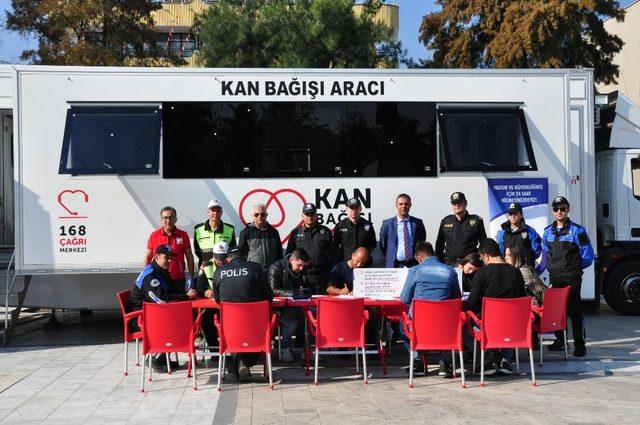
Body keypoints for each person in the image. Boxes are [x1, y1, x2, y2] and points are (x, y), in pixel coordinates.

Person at [129, 245, 197, 372]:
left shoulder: (162, 271)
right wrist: (186, 297)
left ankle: (163, 356)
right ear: (156, 257)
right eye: (166, 257)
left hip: (154, 312)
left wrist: (187, 292)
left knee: (183, 317)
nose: (170, 261)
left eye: (171, 258)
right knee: (176, 322)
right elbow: (161, 299)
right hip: (140, 317)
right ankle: (155, 357)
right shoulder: (150, 275)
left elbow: (171, 292)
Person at [542, 196, 595, 357]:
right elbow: (546, 253)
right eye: (557, 209)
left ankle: (580, 344)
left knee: (574, 311)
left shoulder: (577, 230)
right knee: (557, 311)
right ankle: (560, 340)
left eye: (562, 208)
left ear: (568, 209)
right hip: (555, 278)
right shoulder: (547, 232)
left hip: (571, 278)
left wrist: (574, 269)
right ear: (553, 210)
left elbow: (588, 256)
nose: (559, 211)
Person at [399, 241, 461, 378]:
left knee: (402, 325)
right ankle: (445, 363)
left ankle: (418, 361)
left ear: (418, 258)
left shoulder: (415, 270)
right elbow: (457, 297)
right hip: (444, 322)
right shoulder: (450, 270)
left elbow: (404, 298)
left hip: (420, 323)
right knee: (447, 325)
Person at [466, 239, 526, 375]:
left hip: (489, 326)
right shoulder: (516, 272)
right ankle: (505, 358)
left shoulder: (482, 273)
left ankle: (486, 361)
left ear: (486, 256)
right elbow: (523, 299)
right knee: (507, 324)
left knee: (463, 326)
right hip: (513, 327)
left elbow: (472, 303)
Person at [213, 249, 273, 382]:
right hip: (255, 329)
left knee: (235, 333)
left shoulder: (219, 271)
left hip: (230, 330)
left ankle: (236, 364)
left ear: (228, 258)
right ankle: (244, 362)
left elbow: (218, 300)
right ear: (245, 257)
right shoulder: (255, 268)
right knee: (261, 334)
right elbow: (268, 297)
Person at [268, 248, 314, 362]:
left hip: (299, 306)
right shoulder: (276, 268)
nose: (301, 268)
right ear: (291, 260)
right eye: (299, 265)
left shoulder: (304, 269)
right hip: (280, 308)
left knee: (314, 316)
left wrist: (307, 290)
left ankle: (308, 349)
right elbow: (273, 290)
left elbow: (309, 286)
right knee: (292, 323)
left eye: (303, 265)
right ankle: (285, 347)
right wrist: (294, 293)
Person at [285, 203, 335, 295]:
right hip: (302, 276)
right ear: (302, 216)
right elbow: (289, 254)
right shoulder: (295, 233)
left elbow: (333, 255)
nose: (309, 217)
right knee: (303, 305)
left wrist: (330, 275)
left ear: (316, 215)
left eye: (312, 214)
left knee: (321, 305)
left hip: (321, 276)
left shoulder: (325, 231)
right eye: (307, 214)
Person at [144, 206, 195, 296]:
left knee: (178, 304)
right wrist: (145, 274)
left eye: (171, 217)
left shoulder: (183, 235)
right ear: (161, 220)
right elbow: (148, 257)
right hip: (159, 278)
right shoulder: (154, 235)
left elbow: (190, 257)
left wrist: (191, 276)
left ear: (175, 219)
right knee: (162, 305)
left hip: (177, 279)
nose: (168, 220)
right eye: (165, 218)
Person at [195, 241, 231, 349]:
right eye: (217, 257)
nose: (220, 261)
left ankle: (234, 348)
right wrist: (206, 292)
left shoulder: (234, 265)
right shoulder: (206, 266)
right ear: (213, 255)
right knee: (205, 319)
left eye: (223, 257)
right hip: (214, 303)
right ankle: (214, 349)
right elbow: (199, 287)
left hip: (231, 303)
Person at [435, 192, 487, 266]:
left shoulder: (476, 221)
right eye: (454, 203)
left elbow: (483, 243)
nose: (457, 205)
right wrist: (439, 263)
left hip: (470, 265)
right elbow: (439, 245)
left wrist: (479, 261)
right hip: (449, 265)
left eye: (459, 202)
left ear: (465, 203)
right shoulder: (445, 221)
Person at [194, 199, 237, 283]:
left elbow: (232, 252)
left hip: (224, 270)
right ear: (208, 212)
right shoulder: (198, 229)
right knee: (204, 292)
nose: (215, 213)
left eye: (218, 211)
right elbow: (197, 250)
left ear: (221, 212)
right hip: (205, 269)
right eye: (212, 210)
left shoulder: (229, 229)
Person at [379, 194, 427, 268]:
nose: (403, 206)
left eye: (406, 204)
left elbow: (422, 241)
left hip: (414, 264)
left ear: (410, 205)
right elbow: (383, 245)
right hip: (394, 264)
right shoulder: (387, 224)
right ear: (396, 205)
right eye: (400, 204)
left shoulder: (417, 223)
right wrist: (391, 256)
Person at [237, 203, 283, 273]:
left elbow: (279, 253)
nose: (259, 216)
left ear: (266, 215)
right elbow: (241, 255)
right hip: (253, 273)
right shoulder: (245, 233)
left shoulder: (274, 232)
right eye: (256, 214)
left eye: (262, 214)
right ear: (252, 216)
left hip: (271, 273)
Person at [333, 198, 377, 266]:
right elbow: (335, 246)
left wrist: (363, 255)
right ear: (347, 209)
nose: (354, 210)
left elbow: (373, 244)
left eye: (356, 208)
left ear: (360, 209)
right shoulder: (340, 226)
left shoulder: (367, 225)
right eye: (351, 208)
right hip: (346, 263)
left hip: (364, 263)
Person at [495, 203, 542, 267]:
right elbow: (500, 253)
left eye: (515, 213)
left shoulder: (530, 231)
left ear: (521, 215)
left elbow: (536, 251)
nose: (513, 216)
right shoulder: (502, 233)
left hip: (525, 269)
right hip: (509, 269)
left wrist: (524, 261)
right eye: (510, 213)